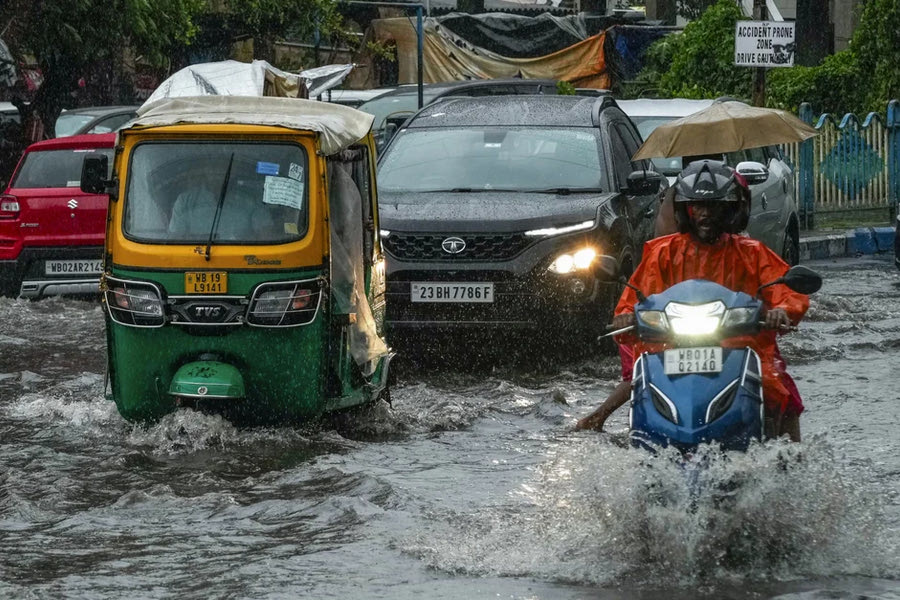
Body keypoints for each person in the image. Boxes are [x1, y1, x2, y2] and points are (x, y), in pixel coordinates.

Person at [576, 160, 808, 441]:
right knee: (641, 384)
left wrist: (780, 311)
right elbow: (633, 298)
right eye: (697, 205)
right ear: (685, 210)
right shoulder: (662, 253)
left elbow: (787, 291)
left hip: (740, 345)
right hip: (671, 343)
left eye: (713, 206)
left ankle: (792, 459)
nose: (705, 213)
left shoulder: (752, 253)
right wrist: (626, 316)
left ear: (730, 209)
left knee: (779, 389)